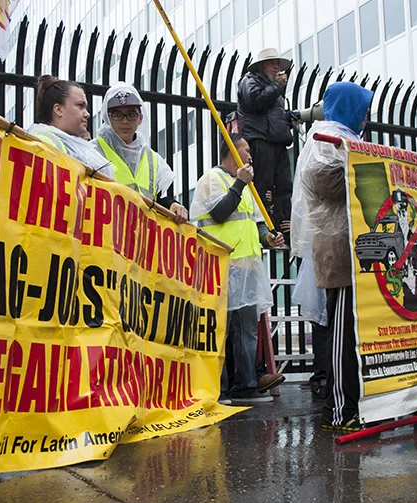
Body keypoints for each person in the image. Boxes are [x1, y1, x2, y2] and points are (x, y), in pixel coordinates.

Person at [292, 81, 373, 430]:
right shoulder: (325, 138)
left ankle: (355, 404)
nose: (367, 116)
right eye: (363, 108)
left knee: (357, 331)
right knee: (342, 333)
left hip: (357, 248)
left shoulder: (347, 139)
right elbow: (323, 181)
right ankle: (338, 411)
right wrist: (368, 170)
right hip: (338, 253)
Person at [190, 133, 285, 404]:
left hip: (247, 265)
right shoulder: (212, 179)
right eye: (245, 150)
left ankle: (247, 385)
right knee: (220, 327)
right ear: (231, 152)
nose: (250, 156)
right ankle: (217, 389)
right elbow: (219, 213)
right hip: (221, 265)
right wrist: (240, 185)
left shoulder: (247, 186)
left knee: (247, 328)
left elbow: (256, 223)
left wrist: (268, 237)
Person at [93, 82, 188, 224]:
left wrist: (171, 204)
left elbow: (154, 199)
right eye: (117, 115)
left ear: (140, 118)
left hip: (141, 239)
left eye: (131, 114)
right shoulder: (92, 151)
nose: (125, 121)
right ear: (107, 117)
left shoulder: (153, 159)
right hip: (105, 237)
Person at [237, 48, 296, 239]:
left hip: (277, 143)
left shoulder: (273, 89)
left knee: (284, 186)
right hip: (260, 141)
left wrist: (289, 118)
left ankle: (282, 229)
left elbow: (272, 116)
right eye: (273, 63)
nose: (277, 68)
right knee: (261, 186)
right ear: (261, 66)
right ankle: (262, 230)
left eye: (278, 64)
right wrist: (278, 88)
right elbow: (254, 102)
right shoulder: (249, 81)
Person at [28, 76, 113, 178]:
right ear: (58, 109)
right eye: (80, 106)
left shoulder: (73, 145)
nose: (87, 114)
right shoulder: (44, 143)